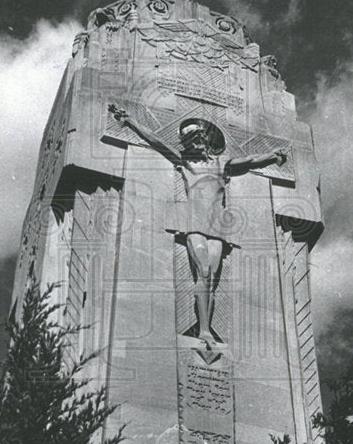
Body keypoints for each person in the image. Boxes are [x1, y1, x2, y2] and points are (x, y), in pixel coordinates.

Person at [109, 104, 287, 349]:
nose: (194, 145)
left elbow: (250, 160)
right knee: (202, 268)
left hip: (217, 220)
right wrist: (130, 122)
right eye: (189, 141)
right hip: (193, 217)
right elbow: (157, 141)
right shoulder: (185, 162)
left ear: (204, 141)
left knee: (211, 275)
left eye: (197, 140)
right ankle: (203, 330)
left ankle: (205, 325)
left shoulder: (222, 164)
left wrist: (273, 156)